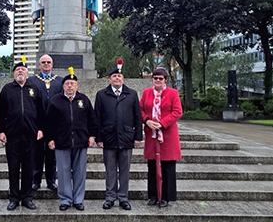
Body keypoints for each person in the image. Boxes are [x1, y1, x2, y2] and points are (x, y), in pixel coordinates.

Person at [0, 57, 45, 211]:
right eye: (17, 70)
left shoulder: (34, 88)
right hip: (12, 135)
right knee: (14, 168)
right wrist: (1, 130)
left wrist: (41, 129)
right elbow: (0, 112)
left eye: (23, 69)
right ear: (14, 73)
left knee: (29, 168)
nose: (20, 71)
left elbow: (41, 112)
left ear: (27, 73)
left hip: (31, 135)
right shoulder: (7, 89)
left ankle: (27, 197)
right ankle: (14, 197)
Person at [46, 67, 98, 211]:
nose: (70, 86)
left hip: (80, 141)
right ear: (63, 86)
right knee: (63, 172)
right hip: (62, 142)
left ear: (77, 86)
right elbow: (49, 122)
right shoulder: (56, 100)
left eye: (72, 84)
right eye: (67, 83)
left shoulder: (84, 100)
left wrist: (92, 135)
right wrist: (50, 138)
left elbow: (92, 119)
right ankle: (65, 199)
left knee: (80, 172)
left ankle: (78, 199)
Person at [94, 58, 143, 211]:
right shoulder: (101, 95)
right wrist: (99, 137)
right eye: (114, 76)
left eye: (119, 76)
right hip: (108, 138)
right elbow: (97, 117)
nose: (117, 78)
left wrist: (138, 136)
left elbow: (137, 117)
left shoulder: (132, 94)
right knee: (110, 170)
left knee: (124, 170)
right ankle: (110, 197)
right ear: (109, 79)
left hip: (127, 138)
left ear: (123, 79)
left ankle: (123, 197)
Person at [140, 67, 183, 208]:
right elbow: (139, 110)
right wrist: (147, 120)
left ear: (165, 80)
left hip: (167, 134)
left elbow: (177, 112)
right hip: (151, 134)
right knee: (152, 166)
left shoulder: (173, 93)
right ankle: (153, 195)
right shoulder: (147, 93)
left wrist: (162, 123)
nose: (157, 80)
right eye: (155, 78)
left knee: (167, 166)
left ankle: (166, 196)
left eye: (160, 78)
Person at [27, 54, 62, 192]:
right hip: (37, 123)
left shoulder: (59, 81)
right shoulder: (32, 80)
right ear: (39, 65)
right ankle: (36, 181)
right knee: (37, 153)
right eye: (43, 62)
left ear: (52, 64)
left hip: (54, 124)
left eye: (48, 62)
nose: (46, 65)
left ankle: (51, 181)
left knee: (51, 154)